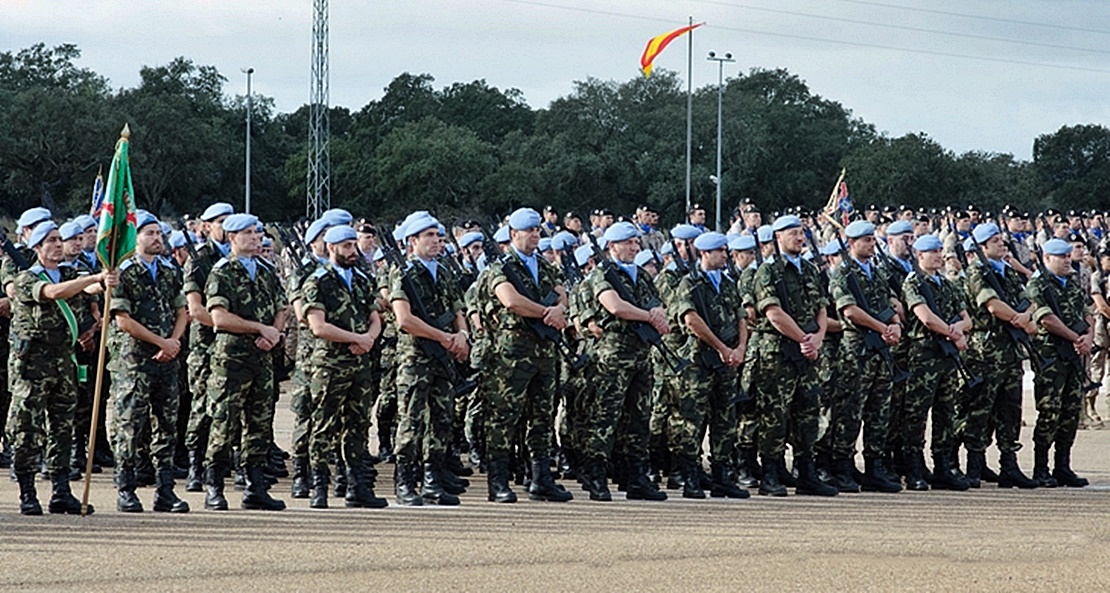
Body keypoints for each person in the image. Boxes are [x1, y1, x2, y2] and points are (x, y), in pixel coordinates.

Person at [8, 221, 118, 515]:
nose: (58, 245)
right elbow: (53, 293)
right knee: (27, 431)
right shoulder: (25, 278)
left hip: (63, 363)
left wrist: (105, 279)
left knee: (62, 429)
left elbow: (91, 286)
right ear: (37, 248)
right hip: (32, 366)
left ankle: (61, 491)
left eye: (59, 239)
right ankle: (27, 492)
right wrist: (93, 278)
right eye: (51, 241)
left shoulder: (71, 273)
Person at [485, 208, 573, 503]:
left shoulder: (546, 267)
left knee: (542, 416)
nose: (535, 235)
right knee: (505, 416)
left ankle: (541, 478)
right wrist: (548, 312)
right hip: (514, 351)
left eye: (538, 230)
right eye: (529, 231)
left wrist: (559, 310)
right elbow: (511, 301)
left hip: (544, 351)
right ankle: (498, 480)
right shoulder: (501, 267)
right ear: (513, 235)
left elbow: (563, 295)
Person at [203, 213, 289, 511]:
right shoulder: (222, 272)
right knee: (224, 422)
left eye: (257, 232)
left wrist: (274, 333)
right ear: (232, 238)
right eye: (248, 233)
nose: (256, 238)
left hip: (262, 357)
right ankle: (214, 485)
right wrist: (259, 328)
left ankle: (255, 485)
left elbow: (282, 307)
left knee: (260, 423)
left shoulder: (265, 271)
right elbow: (219, 317)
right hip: (232, 360)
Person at [107, 212, 190, 512]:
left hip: (167, 360)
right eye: (150, 233)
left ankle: (165, 490)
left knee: (166, 425)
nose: (158, 238)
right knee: (130, 424)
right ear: (136, 238)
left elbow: (182, 310)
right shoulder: (125, 273)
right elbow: (123, 321)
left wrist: (174, 342)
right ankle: (126, 488)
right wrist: (161, 342)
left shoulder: (169, 271)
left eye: (159, 233)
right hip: (136, 361)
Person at [581, 222, 669, 502]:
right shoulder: (602, 274)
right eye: (628, 243)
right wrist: (648, 316)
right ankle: (596, 476)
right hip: (613, 355)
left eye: (635, 242)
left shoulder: (641, 275)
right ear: (612, 247)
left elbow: (658, 303)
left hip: (641, 354)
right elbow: (615, 306)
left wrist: (657, 313)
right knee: (606, 417)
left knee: (640, 418)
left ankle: (636, 477)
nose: (634, 247)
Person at [301, 225, 388, 509]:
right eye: (347, 246)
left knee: (359, 423)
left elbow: (375, 316)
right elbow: (318, 326)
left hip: (360, 362)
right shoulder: (318, 281)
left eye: (354, 245)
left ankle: (357, 485)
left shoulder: (362, 280)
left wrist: (369, 339)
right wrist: (357, 338)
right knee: (324, 424)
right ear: (331, 248)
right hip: (330, 363)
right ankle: (320, 486)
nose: (353, 251)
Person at [389, 212, 470, 506]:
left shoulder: (445, 273)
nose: (437, 241)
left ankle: (433, 479)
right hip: (416, 358)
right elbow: (404, 320)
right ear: (413, 241)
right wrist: (443, 337)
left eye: (438, 236)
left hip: (444, 355)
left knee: (442, 418)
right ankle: (405, 482)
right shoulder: (403, 274)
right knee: (411, 420)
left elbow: (458, 311)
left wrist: (462, 336)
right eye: (429, 236)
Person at [749, 215, 833, 497]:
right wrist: (804, 339)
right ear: (778, 238)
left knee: (808, 412)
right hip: (778, 353)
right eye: (794, 233)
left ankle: (805, 469)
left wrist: (817, 339)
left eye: (802, 233)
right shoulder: (767, 272)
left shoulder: (809, 269)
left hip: (808, 351)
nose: (800, 238)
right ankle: (770, 472)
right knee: (774, 414)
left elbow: (822, 307)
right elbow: (773, 313)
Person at [669, 231, 752, 499]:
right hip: (700, 362)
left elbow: (741, 318)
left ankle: (721, 475)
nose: (725, 255)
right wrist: (722, 348)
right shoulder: (689, 284)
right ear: (705, 253)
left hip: (727, 361)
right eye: (720, 251)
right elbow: (692, 321)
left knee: (725, 419)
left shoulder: (728, 283)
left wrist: (739, 348)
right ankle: (691, 475)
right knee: (693, 420)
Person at [827, 221, 903, 494]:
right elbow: (849, 311)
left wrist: (895, 324)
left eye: (873, 239)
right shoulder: (843, 273)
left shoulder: (877, 274)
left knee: (879, 411)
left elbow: (890, 303)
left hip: (880, 351)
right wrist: (883, 327)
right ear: (852, 244)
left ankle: (874, 465)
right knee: (850, 411)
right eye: (866, 240)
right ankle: (842, 466)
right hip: (856, 351)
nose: (872, 244)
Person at [962, 223, 1038, 489]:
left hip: (1010, 349)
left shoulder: (1006, 271)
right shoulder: (976, 272)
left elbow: (1030, 299)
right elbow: (992, 305)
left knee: (1010, 408)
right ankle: (974, 464)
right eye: (995, 241)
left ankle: (1009, 464)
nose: (1002, 244)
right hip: (987, 351)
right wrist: (1018, 318)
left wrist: (1023, 316)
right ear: (982, 248)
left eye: (1001, 240)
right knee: (982, 409)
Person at [900, 234, 971, 491]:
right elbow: (926, 318)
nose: (939, 256)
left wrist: (958, 329)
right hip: (924, 356)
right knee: (917, 413)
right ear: (920, 256)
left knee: (945, 412)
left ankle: (943, 464)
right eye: (933, 252)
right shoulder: (913, 283)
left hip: (947, 356)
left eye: (940, 251)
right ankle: (914, 468)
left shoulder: (948, 285)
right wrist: (954, 333)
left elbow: (967, 319)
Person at [1027, 238, 1093, 488]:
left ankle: (1062, 465)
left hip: (1075, 354)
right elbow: (1046, 319)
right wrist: (1076, 337)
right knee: (1049, 411)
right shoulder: (1038, 284)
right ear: (1046, 259)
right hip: (1051, 355)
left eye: (1068, 256)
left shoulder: (1072, 285)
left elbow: (1087, 313)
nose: (1067, 260)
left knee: (1070, 412)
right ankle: (1041, 467)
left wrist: (1087, 336)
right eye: (1061, 257)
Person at [182, 202, 233, 492]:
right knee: (202, 407)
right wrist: (224, 326)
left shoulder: (240, 261)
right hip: (207, 345)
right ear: (207, 226)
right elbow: (195, 309)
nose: (226, 227)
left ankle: (225, 463)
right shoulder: (199, 260)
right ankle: (195, 464)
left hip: (236, 346)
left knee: (232, 408)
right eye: (221, 222)